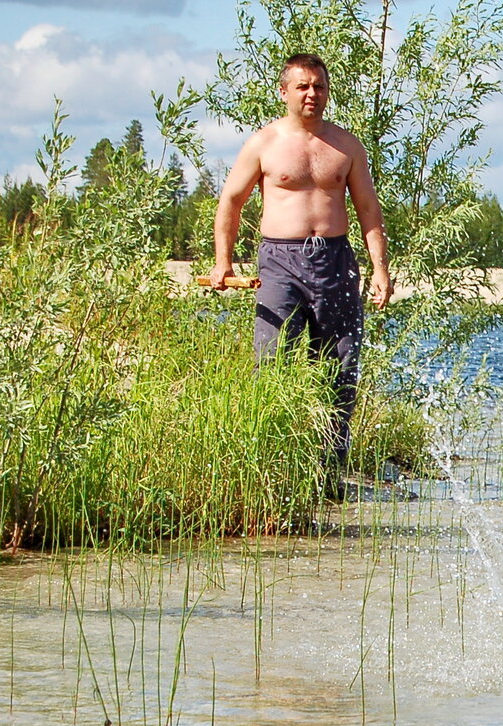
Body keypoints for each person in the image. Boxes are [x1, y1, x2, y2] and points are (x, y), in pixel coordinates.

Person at [211, 52, 393, 499]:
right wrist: (223, 261)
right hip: (280, 263)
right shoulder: (264, 143)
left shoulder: (346, 146)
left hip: (335, 261)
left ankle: (328, 478)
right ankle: (270, 479)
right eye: (303, 87)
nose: (313, 94)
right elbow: (231, 201)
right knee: (272, 364)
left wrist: (380, 269)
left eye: (320, 86)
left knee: (341, 368)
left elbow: (368, 210)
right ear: (285, 91)